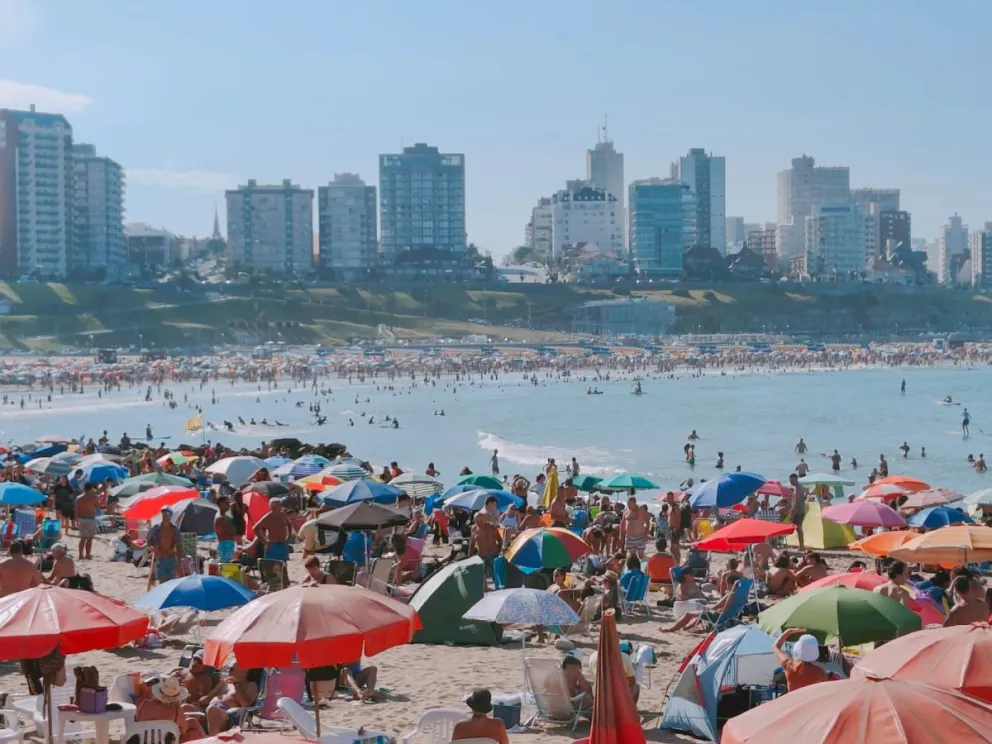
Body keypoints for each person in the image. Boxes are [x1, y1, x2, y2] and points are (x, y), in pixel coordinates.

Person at [136, 675, 206, 743]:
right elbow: (183, 731)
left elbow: (137, 719)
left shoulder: (144, 703)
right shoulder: (177, 711)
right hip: (164, 742)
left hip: (142, 740)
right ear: (177, 697)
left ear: (160, 692)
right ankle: (208, 740)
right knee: (192, 732)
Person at [204, 666, 260, 735]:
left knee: (211, 710)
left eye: (231, 669)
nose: (228, 670)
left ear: (244, 671)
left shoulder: (251, 685)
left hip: (230, 714)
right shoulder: (224, 683)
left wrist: (236, 683)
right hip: (210, 710)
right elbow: (207, 698)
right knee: (188, 710)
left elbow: (246, 704)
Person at [773, 628, 828, 692]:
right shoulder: (820, 673)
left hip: (794, 701)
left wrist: (788, 632)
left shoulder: (790, 667)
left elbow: (776, 647)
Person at [147, 506, 180, 587]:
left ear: (170, 516)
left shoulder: (174, 529)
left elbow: (179, 544)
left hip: (171, 557)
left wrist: (180, 559)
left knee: (171, 582)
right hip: (160, 558)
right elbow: (148, 541)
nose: (165, 516)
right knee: (162, 582)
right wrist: (153, 548)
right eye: (163, 514)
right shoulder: (156, 528)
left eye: (167, 514)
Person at [253, 497, 293, 564]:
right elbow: (255, 528)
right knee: (270, 566)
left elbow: (289, 524)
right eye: (279, 505)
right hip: (272, 544)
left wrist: (288, 535)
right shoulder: (268, 517)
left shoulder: (282, 514)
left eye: (280, 505)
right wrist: (264, 541)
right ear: (273, 507)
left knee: (283, 565)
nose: (281, 507)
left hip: (283, 544)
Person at [75, 483, 100, 560]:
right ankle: (88, 555)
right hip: (90, 519)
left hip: (82, 519)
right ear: (91, 488)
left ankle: (80, 555)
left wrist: (77, 519)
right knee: (89, 539)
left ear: (84, 489)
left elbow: (76, 510)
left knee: (82, 539)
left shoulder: (78, 498)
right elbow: (97, 506)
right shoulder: (94, 497)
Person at [214, 496, 238, 563]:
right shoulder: (221, 518)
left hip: (227, 544)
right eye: (226, 503)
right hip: (226, 546)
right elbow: (233, 532)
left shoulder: (224, 516)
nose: (229, 505)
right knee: (227, 567)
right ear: (221, 504)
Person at [787, 473, 806, 550]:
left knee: (799, 528)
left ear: (796, 479)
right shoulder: (799, 487)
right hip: (800, 509)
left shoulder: (798, 488)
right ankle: (801, 545)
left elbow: (797, 501)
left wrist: (793, 511)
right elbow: (803, 498)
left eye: (792, 480)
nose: (791, 482)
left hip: (798, 511)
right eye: (790, 480)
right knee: (798, 528)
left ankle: (801, 546)